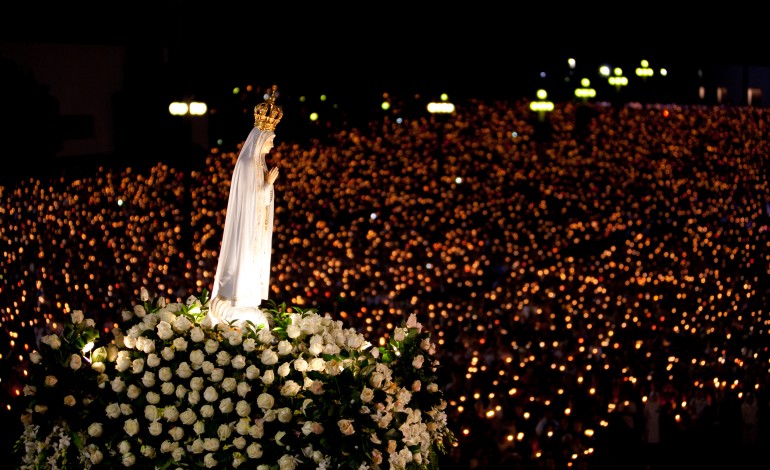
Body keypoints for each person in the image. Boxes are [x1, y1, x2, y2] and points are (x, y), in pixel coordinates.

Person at [208, 85, 282, 328]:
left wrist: (267, 187)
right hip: (246, 228)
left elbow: (260, 198)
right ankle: (237, 298)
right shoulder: (249, 164)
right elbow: (248, 199)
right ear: (260, 139)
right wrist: (266, 186)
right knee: (243, 261)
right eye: (270, 141)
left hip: (255, 229)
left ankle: (247, 297)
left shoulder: (258, 163)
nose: (272, 146)